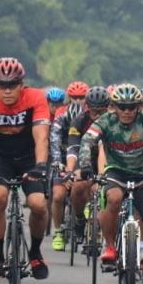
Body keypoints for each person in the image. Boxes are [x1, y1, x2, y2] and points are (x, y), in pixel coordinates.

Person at [77, 83, 143, 284]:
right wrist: (86, 163)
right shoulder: (106, 120)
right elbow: (87, 141)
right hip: (116, 171)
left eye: (131, 107)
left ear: (138, 107)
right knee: (113, 198)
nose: (126, 111)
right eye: (121, 107)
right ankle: (110, 247)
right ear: (113, 107)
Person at [0, 57, 51, 280]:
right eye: (1, 85)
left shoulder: (35, 98)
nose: (7, 91)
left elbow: (41, 136)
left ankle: (35, 252)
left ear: (21, 84)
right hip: (0, 157)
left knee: (38, 205)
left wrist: (41, 165)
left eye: (12, 85)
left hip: (29, 156)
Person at [65, 85, 110, 233]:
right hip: (86, 157)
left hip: (109, 158)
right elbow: (73, 148)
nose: (97, 116)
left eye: (102, 112)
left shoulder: (114, 122)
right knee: (78, 186)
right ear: (87, 107)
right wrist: (70, 171)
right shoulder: (79, 121)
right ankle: (79, 217)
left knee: (106, 188)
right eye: (94, 111)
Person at [49, 81, 88, 250]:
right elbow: (55, 141)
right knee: (58, 196)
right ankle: (58, 231)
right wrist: (59, 164)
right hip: (63, 157)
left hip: (82, 157)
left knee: (85, 187)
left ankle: (83, 212)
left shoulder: (88, 119)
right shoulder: (60, 117)